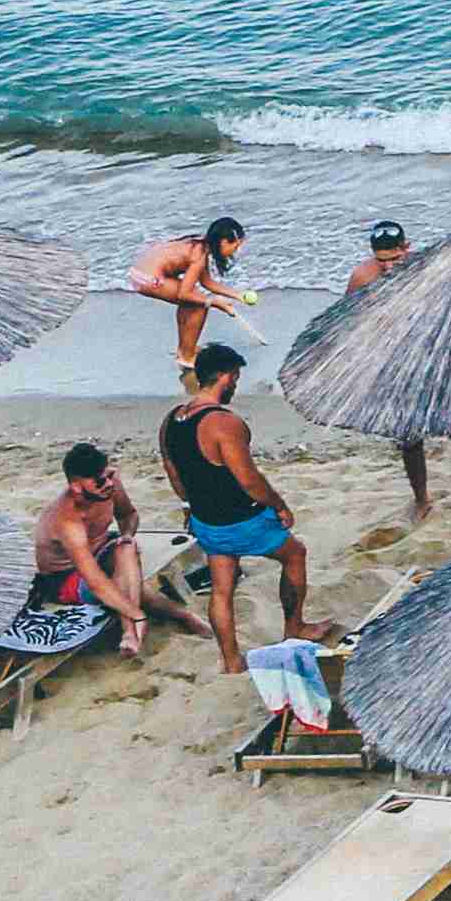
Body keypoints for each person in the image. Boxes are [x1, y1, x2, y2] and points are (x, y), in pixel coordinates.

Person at [157, 343, 321, 673]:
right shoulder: (223, 423)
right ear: (226, 377)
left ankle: (231, 661)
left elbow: (173, 471)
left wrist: (190, 506)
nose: (236, 385)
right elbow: (248, 480)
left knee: (222, 588)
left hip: (206, 522)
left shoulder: (172, 420)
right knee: (295, 554)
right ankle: (294, 627)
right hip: (240, 519)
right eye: (236, 378)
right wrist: (280, 505)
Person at [343, 221, 451, 525]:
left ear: (406, 249)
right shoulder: (363, 277)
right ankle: (422, 499)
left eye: (394, 259)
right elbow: (347, 320)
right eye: (381, 260)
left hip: (435, 359)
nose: (387, 267)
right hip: (392, 364)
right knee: (409, 439)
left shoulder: (428, 269)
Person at [33, 444, 202, 653]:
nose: (109, 483)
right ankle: (173, 617)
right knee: (129, 583)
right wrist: (135, 613)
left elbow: (128, 515)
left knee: (126, 548)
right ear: (76, 487)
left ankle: (132, 632)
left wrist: (127, 536)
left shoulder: (109, 486)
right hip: (66, 578)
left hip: (102, 549)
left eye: (109, 475)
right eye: (100, 481)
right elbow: (95, 582)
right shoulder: (67, 520)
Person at [129, 217, 249, 380]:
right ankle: (187, 357)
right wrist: (214, 303)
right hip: (147, 278)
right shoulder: (198, 255)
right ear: (223, 242)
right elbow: (184, 294)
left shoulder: (200, 246)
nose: (235, 251)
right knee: (198, 305)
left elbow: (207, 283)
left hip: (139, 272)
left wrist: (238, 295)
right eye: (235, 246)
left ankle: (184, 349)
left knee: (192, 299)